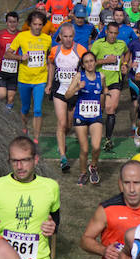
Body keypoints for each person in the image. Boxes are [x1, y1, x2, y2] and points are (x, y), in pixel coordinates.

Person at [5, 11, 52, 143]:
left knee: (37, 109)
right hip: (24, 79)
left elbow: (49, 59)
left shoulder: (47, 39)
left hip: (40, 79)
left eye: (40, 25)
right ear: (30, 24)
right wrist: (20, 57)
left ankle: (36, 139)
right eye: (35, 24)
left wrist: (49, 82)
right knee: (25, 108)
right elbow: (7, 55)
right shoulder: (21, 37)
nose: (37, 27)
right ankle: (24, 128)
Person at [47, 24, 87, 172]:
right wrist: (49, 83)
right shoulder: (55, 50)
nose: (68, 39)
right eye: (65, 36)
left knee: (69, 125)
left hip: (75, 92)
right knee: (61, 123)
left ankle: (62, 142)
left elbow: (88, 66)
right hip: (59, 90)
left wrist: (85, 81)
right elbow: (51, 64)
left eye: (71, 36)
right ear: (60, 37)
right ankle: (63, 157)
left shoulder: (80, 50)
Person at [65, 51, 105, 185]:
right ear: (83, 64)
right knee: (85, 149)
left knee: (96, 146)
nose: (89, 64)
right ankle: (83, 173)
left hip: (95, 116)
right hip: (81, 116)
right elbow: (67, 95)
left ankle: (93, 166)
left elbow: (103, 91)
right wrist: (77, 87)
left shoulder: (101, 76)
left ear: (95, 62)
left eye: (91, 61)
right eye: (86, 62)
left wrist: (103, 104)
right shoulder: (79, 76)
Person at [90, 21, 129, 152]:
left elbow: (127, 52)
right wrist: (105, 61)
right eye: (110, 32)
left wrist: (124, 63)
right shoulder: (98, 44)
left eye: (115, 33)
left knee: (111, 108)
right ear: (106, 32)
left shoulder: (121, 44)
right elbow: (90, 62)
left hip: (114, 81)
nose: (112, 36)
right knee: (99, 109)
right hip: (100, 81)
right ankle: (96, 136)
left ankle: (108, 139)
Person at [0, 12, 21, 110]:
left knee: (10, 98)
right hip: (1, 69)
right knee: (2, 95)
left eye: (14, 22)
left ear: (17, 22)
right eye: (10, 22)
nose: (12, 24)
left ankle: (5, 119)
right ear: (6, 23)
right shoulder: (0, 34)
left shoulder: (21, 35)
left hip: (15, 71)